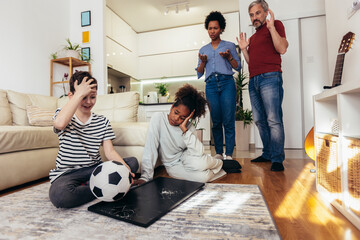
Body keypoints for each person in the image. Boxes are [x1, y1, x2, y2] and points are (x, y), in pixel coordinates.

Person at [49, 71, 138, 208]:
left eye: (93, 97)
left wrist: (125, 171)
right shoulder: (63, 115)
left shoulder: (102, 121)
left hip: (94, 169)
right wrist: (78, 94)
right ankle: (102, 188)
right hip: (68, 173)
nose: (89, 102)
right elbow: (60, 124)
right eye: (83, 97)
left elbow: (110, 152)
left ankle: (98, 185)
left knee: (132, 162)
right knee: (60, 195)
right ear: (72, 96)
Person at [133, 84, 241, 186]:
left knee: (200, 164)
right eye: (176, 112)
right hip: (173, 165)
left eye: (182, 118)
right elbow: (150, 148)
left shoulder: (189, 127)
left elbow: (198, 152)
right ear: (171, 107)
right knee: (203, 178)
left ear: (188, 118)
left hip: (187, 157)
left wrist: (184, 130)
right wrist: (145, 177)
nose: (176, 119)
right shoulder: (158, 118)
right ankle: (221, 166)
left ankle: (217, 163)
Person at [237, 0, 288, 171]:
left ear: (266, 12)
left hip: (270, 77)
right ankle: (267, 153)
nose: (254, 18)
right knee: (259, 120)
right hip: (254, 80)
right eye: (251, 15)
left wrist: (272, 27)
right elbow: (252, 63)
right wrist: (244, 49)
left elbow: (282, 48)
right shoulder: (253, 37)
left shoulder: (276, 25)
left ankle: (277, 158)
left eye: (257, 13)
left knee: (273, 119)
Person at [196, 11, 241, 161]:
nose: (212, 31)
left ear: (221, 29)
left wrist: (229, 57)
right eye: (210, 28)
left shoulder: (229, 46)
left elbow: (237, 67)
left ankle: (229, 154)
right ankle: (218, 153)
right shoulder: (203, 50)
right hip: (211, 85)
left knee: (228, 120)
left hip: (227, 83)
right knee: (216, 121)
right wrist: (203, 62)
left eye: (215, 28)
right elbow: (200, 73)